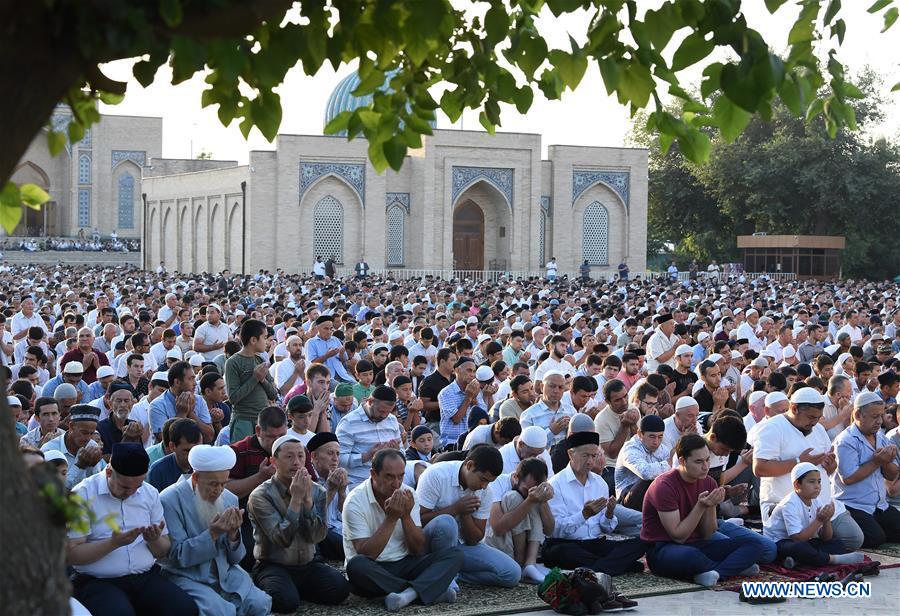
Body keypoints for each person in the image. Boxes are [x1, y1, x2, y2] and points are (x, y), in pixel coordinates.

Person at [67, 443, 198, 616]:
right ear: (109, 473)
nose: (131, 493)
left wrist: (154, 540)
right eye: (125, 487)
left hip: (144, 577)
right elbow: (72, 554)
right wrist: (113, 543)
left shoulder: (149, 493)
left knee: (184, 608)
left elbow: (162, 551)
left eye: (138, 486)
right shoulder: (82, 495)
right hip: (97, 581)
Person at [344, 448, 463, 610]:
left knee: (455, 555)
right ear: (373, 474)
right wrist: (391, 519)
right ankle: (427, 590)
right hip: (375, 568)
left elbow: (418, 549)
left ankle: (409, 595)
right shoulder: (355, 501)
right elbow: (367, 554)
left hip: (405, 563)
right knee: (356, 566)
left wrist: (406, 516)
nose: (396, 484)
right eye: (389, 477)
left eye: (400, 476)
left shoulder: (408, 493)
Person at [159, 445, 272, 616]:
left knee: (260, 604)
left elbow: (236, 559)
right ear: (195, 478)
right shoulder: (169, 500)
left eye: (223, 484)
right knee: (220, 611)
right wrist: (213, 534)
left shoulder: (229, 498)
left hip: (225, 573)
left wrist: (233, 536)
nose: (219, 490)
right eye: (213, 484)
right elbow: (177, 556)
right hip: (187, 576)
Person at [642, 434, 765, 587]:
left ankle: (717, 572)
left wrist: (710, 506)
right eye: (699, 462)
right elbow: (678, 536)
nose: (706, 467)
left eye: (707, 460)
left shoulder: (709, 482)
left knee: (755, 544)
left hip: (698, 544)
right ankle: (734, 566)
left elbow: (708, 533)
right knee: (691, 556)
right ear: (682, 461)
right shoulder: (664, 486)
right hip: (665, 548)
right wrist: (700, 506)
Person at [753, 387, 865, 550]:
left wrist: (830, 465)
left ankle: (807, 550)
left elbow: (828, 470)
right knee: (806, 542)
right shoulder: (772, 428)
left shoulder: (818, 429)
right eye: (811, 417)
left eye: (818, 417)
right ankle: (809, 549)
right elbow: (760, 468)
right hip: (786, 503)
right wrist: (799, 461)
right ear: (794, 408)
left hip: (821, 501)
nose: (814, 422)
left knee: (854, 538)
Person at [248, 434, 351, 611]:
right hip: (273, 564)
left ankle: (294, 588)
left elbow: (318, 536)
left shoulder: (317, 491)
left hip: (308, 564)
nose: (296, 462)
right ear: (274, 461)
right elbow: (281, 539)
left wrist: (308, 502)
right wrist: (296, 501)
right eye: (289, 457)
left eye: (300, 456)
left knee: (340, 590)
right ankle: (282, 587)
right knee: (285, 603)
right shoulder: (261, 496)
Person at [416, 446, 522, 588]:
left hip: (459, 547)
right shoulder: (436, 475)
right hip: (431, 546)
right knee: (446, 523)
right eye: (483, 479)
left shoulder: (485, 492)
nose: (484, 486)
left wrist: (465, 514)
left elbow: (474, 540)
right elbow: (418, 521)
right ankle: (443, 574)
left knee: (512, 573)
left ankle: (450, 574)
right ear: (469, 465)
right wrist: (455, 509)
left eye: (489, 482)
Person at [544, 430, 647, 575]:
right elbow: (555, 530)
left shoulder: (599, 483)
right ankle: (617, 565)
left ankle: (595, 569)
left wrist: (609, 514)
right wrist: (583, 515)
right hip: (567, 543)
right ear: (570, 454)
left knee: (642, 543)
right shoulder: (556, 484)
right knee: (559, 552)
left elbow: (606, 528)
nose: (590, 462)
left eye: (593, 456)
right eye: (585, 455)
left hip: (595, 544)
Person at [763, 462, 865, 568]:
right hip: (779, 542)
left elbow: (826, 538)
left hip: (804, 541)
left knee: (838, 544)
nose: (817, 486)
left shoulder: (816, 501)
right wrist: (819, 520)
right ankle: (832, 559)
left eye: (819, 482)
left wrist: (827, 519)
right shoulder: (789, 504)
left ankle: (798, 561)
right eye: (811, 482)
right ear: (797, 485)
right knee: (799, 548)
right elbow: (798, 539)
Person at [833, 391, 900, 548]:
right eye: (874, 417)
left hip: (879, 505)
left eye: (881, 416)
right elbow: (848, 478)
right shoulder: (846, 440)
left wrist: (887, 462)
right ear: (858, 415)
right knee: (875, 538)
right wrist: (876, 461)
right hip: (853, 504)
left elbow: (891, 476)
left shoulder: (881, 437)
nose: (879, 421)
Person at [485, 457, 555, 583]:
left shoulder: (535, 489)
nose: (529, 493)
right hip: (496, 543)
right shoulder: (497, 483)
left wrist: (542, 501)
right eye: (526, 489)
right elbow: (498, 529)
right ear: (515, 477)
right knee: (515, 497)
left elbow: (549, 530)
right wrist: (529, 501)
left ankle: (530, 564)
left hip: (518, 545)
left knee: (534, 500)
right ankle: (520, 564)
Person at [337, 385, 403, 489]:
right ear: (370, 401)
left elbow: (403, 453)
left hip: (389, 480)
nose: (384, 416)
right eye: (381, 411)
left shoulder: (391, 420)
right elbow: (339, 459)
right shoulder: (349, 422)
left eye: (388, 412)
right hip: (358, 482)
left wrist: (397, 452)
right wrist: (367, 456)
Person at [225, 319, 277, 443]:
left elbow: (273, 394)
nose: (267, 342)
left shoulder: (260, 361)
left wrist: (262, 380)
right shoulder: (233, 362)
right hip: (243, 421)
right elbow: (233, 397)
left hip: (263, 420)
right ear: (253, 340)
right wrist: (254, 379)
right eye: (264, 338)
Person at [41, 404, 105, 489]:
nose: (88, 438)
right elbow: (57, 488)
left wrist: (93, 465)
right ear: (71, 426)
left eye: (91, 433)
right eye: (84, 433)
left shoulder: (92, 445)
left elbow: (95, 484)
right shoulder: (49, 449)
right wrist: (79, 466)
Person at [307, 431, 349, 561]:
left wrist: (342, 492)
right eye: (330, 453)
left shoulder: (338, 475)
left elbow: (345, 516)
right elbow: (310, 518)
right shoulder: (306, 478)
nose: (335, 459)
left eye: (338, 454)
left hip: (339, 530)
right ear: (314, 456)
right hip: (320, 532)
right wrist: (330, 491)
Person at [615, 415, 671, 511]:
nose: (656, 442)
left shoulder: (663, 449)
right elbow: (646, 473)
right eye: (652, 437)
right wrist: (670, 463)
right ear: (640, 434)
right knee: (651, 477)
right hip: (627, 499)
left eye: (660, 437)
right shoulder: (630, 448)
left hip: (651, 495)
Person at [149, 361, 214, 444]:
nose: (195, 383)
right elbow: (167, 442)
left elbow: (209, 437)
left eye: (194, 378)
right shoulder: (157, 406)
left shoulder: (199, 400)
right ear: (177, 382)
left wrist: (191, 414)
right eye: (190, 379)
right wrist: (182, 413)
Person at [520, 371, 576, 448]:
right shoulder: (528, 415)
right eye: (552, 386)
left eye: (560, 387)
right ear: (542, 387)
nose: (556, 391)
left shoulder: (571, 411)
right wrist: (551, 431)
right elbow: (527, 446)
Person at [147, 418, 202, 492]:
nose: (193, 456)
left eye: (197, 449)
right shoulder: (158, 471)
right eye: (187, 451)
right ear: (172, 446)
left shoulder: (207, 467)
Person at [438, 357, 481, 448]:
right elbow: (456, 419)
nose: (472, 375)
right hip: (452, 442)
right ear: (457, 370)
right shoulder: (446, 392)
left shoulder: (475, 389)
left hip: (472, 441)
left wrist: (474, 398)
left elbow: (480, 417)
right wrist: (468, 397)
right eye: (469, 370)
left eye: (474, 371)